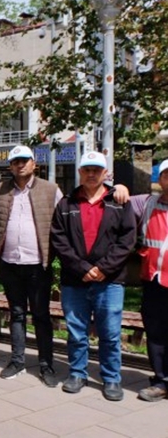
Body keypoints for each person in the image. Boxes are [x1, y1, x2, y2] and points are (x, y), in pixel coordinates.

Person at [51, 151, 135, 401]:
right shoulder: (67, 203)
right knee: (76, 331)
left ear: (104, 173)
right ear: (80, 172)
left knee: (109, 333)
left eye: (96, 170)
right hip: (75, 280)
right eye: (86, 169)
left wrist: (103, 269)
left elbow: (127, 240)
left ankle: (111, 378)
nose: (90, 174)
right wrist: (83, 268)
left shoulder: (119, 201)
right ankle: (77, 373)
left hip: (109, 282)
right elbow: (59, 240)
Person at [0, 145, 62, 386]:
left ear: (34, 163)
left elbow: (60, 222)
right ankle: (17, 361)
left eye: (24, 160)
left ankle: (46, 365)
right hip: (10, 263)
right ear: (10, 166)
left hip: (38, 265)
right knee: (17, 314)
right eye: (15, 161)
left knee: (41, 316)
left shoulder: (51, 190)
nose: (20, 165)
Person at [130, 159, 168, 402]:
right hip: (155, 279)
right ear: (161, 179)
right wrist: (119, 188)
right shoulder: (147, 202)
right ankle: (162, 380)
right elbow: (111, 197)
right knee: (156, 332)